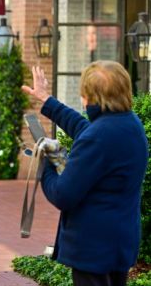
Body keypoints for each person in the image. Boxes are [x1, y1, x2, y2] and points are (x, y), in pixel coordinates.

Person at [21, 61, 148, 286]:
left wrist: (46, 162)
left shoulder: (98, 136)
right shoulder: (130, 124)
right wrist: (47, 101)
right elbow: (86, 129)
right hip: (119, 243)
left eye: (84, 94)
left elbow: (63, 194)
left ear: (93, 98)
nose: (83, 99)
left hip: (93, 249)